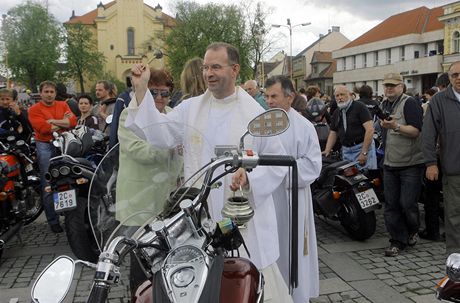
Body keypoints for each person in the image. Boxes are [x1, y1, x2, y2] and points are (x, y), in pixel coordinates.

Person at [126, 42, 292, 302]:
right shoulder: (191, 108)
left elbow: (276, 162)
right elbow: (159, 133)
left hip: (241, 216)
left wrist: (249, 177)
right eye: (205, 67)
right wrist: (140, 88)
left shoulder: (253, 113)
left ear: (235, 69)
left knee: (246, 285)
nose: (208, 73)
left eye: (216, 66)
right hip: (201, 215)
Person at [117, 68, 178, 293]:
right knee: (141, 256)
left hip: (169, 199)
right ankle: (139, 295)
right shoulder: (128, 115)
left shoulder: (172, 113)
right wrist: (169, 149)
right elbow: (137, 150)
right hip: (139, 200)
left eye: (164, 93)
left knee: (168, 256)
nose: (160, 98)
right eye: (154, 93)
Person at [265, 75, 322, 303]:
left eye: (274, 96)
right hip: (267, 196)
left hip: (292, 198)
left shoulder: (304, 127)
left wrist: (279, 173)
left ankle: (296, 296)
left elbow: (312, 165)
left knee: (294, 249)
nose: (268, 101)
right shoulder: (264, 123)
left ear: (290, 97)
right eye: (267, 96)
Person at [379, 72, 424, 257]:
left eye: (393, 85)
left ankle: (412, 230)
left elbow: (416, 131)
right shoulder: (384, 104)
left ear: (401, 86)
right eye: (386, 85)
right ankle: (397, 240)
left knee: (407, 204)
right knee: (390, 205)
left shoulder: (410, 103)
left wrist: (396, 127)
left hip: (410, 163)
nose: (389, 88)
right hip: (389, 163)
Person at [28, 81, 77, 233]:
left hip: (63, 143)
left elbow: (73, 122)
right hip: (45, 144)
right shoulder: (34, 109)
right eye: (46, 91)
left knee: (68, 178)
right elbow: (43, 128)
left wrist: (53, 122)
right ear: (41, 93)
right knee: (48, 181)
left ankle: (71, 218)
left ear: (55, 93)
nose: (49, 94)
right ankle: (53, 220)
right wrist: (63, 123)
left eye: (51, 92)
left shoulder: (63, 105)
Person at [423, 61, 460, 254]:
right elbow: (428, 134)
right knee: (454, 215)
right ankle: (455, 258)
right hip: (453, 168)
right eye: (455, 75)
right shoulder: (439, 100)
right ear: (450, 78)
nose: (459, 78)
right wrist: (431, 163)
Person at [322, 85, 377, 170]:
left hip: (361, 147)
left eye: (342, 94)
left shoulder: (360, 107)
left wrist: (364, 152)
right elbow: (333, 132)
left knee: (365, 179)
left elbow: (370, 130)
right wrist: (327, 150)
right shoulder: (337, 112)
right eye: (337, 95)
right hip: (346, 150)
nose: (340, 97)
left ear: (350, 95)